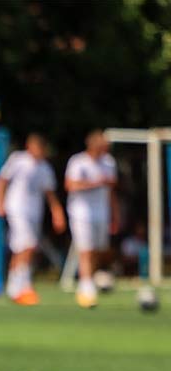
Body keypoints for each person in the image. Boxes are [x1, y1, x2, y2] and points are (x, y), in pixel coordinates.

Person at [0, 133, 67, 305]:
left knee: (21, 248)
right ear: (30, 146)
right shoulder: (18, 160)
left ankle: (13, 286)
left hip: (35, 213)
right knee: (29, 244)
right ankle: (24, 286)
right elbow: (2, 180)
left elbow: (50, 194)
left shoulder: (45, 168)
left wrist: (57, 213)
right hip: (17, 208)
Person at [65, 130, 119, 309]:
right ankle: (86, 288)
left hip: (101, 213)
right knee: (85, 250)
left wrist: (115, 214)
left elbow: (111, 191)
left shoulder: (109, 162)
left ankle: (90, 282)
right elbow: (70, 185)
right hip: (80, 212)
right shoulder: (78, 161)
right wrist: (96, 183)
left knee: (98, 250)